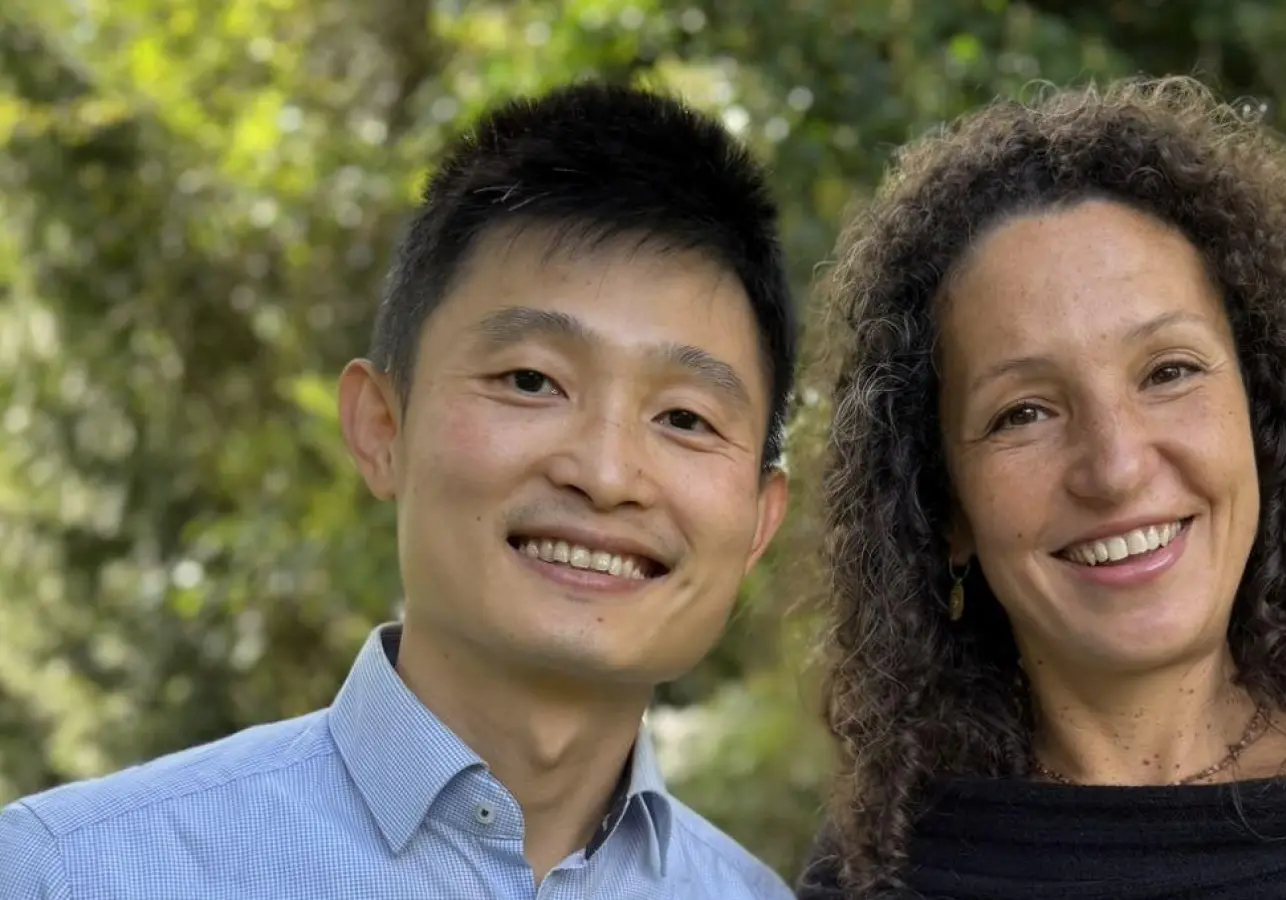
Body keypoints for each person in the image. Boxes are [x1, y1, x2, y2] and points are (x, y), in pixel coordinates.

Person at [798, 77, 1286, 900]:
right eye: (1024, 412)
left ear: (1261, 414)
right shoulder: (879, 878)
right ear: (944, 508)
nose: (1115, 468)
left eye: (1169, 372)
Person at [0, 82, 797, 900]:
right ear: (382, 429)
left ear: (759, 522)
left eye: (685, 418)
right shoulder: (75, 872)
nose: (603, 473)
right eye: (531, 380)